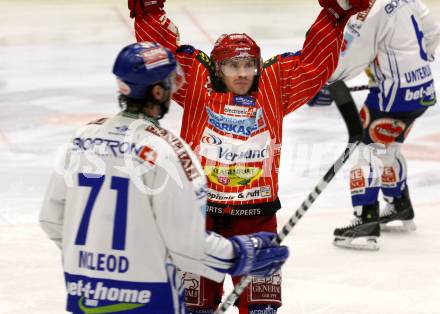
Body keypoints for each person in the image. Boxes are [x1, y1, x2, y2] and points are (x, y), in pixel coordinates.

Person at [129, 0, 370, 312]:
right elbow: (163, 56)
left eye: (248, 65)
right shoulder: (195, 82)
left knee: (261, 309)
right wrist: (149, 12)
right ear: (218, 67)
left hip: (257, 219)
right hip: (198, 219)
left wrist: (336, 13)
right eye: (232, 66)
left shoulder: (275, 84)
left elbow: (312, 65)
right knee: (194, 308)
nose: (242, 74)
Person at [39, 42, 290, 314]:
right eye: (171, 82)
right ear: (157, 92)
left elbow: (51, 219)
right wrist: (240, 253)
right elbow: (186, 246)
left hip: (84, 292)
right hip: (148, 295)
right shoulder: (170, 152)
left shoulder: (82, 138)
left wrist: (90, 262)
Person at [309, 0, 440, 250]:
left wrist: (326, 81)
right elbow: (433, 31)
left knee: (365, 150)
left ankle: (365, 221)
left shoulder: (368, 12)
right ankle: (399, 206)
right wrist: (417, 64)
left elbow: (355, 55)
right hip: (422, 90)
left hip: (392, 95)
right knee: (388, 146)